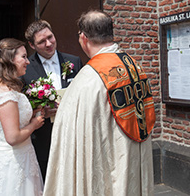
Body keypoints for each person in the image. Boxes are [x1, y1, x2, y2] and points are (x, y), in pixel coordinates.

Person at [43, 10, 156, 196]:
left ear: (83, 37)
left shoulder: (88, 79)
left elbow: (73, 139)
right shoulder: (135, 66)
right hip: (134, 158)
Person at [0, 38, 45, 195]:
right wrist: (34, 124)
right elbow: (13, 137)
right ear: (9, 60)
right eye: (23, 57)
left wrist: (33, 113)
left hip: (21, 159)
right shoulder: (4, 93)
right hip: (13, 164)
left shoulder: (4, 86)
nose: (27, 61)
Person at [22, 19, 82, 180]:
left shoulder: (74, 62)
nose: (49, 43)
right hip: (43, 138)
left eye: (50, 37)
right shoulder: (25, 69)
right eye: (42, 41)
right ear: (32, 45)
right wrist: (39, 113)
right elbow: (22, 105)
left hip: (71, 134)